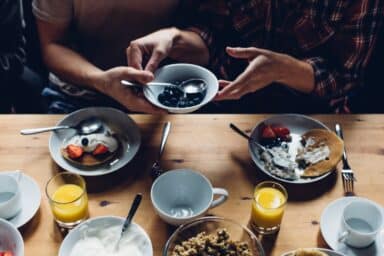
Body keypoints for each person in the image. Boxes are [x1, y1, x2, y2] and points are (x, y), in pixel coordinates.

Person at [128, 1, 384, 113]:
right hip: (222, 108)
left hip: (312, 117)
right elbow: (211, 34)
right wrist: (177, 39)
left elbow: (348, 78)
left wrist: (283, 69)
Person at [32, 0, 209, 113]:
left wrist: (175, 36)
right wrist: (100, 80)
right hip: (80, 93)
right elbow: (52, 45)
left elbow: (206, 45)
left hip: (161, 89)